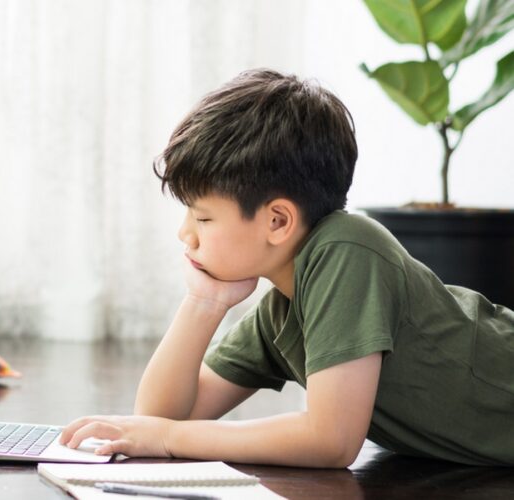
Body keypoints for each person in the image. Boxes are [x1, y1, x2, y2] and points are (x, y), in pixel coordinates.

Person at [59, 68, 514, 467]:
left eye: (202, 218)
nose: (185, 234)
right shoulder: (282, 306)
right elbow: (157, 418)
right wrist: (203, 302)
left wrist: (168, 439)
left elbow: (331, 441)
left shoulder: (347, 249)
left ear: (277, 220)